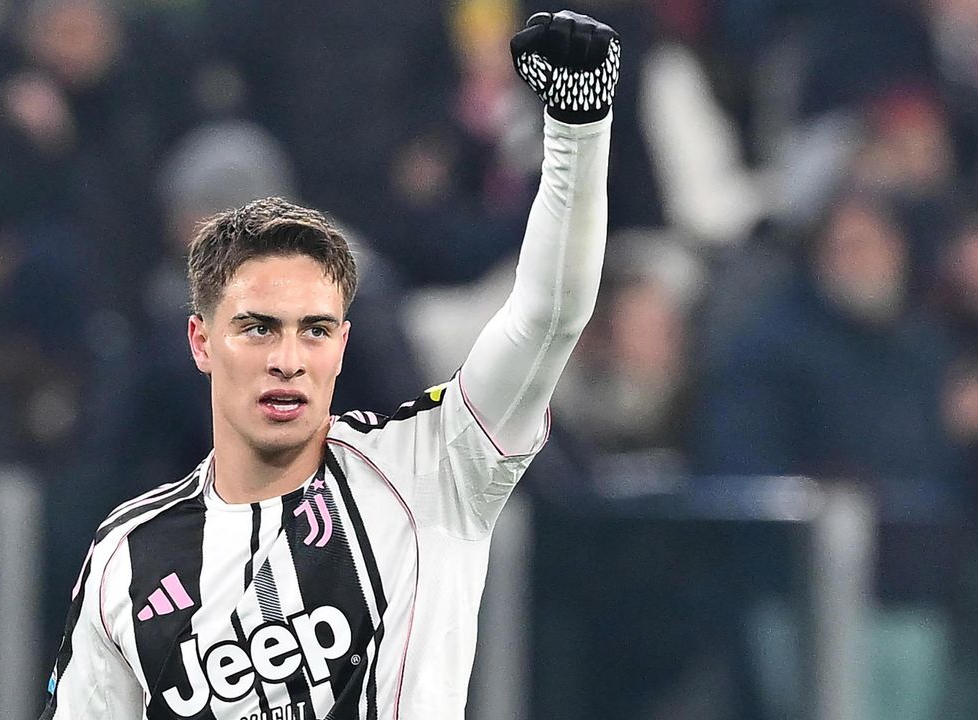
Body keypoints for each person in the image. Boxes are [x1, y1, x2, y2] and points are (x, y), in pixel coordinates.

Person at [40, 10, 620, 719]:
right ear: (200, 342)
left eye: (313, 330)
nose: (286, 360)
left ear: (343, 344)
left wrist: (578, 135)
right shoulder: (127, 556)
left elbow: (548, 317)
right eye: (257, 329)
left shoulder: (428, 471)